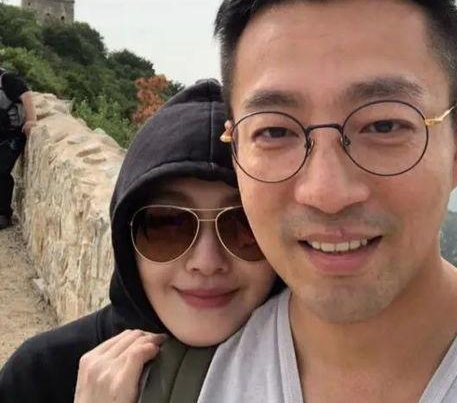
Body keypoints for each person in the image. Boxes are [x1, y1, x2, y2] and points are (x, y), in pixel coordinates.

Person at [190, 0, 457, 402]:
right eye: (275, 131)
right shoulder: (177, 382)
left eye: (384, 125)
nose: (326, 193)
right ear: (235, 150)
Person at [0, 78, 277, 403]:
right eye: (167, 224)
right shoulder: (40, 375)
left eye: (243, 224)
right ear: (126, 237)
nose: (206, 262)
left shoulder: (318, 371)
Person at [0, 67, 36, 229]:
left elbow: (26, 95)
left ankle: (3, 215)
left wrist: (31, 120)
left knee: (1, 171)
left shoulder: (7, 79)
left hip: (12, 135)